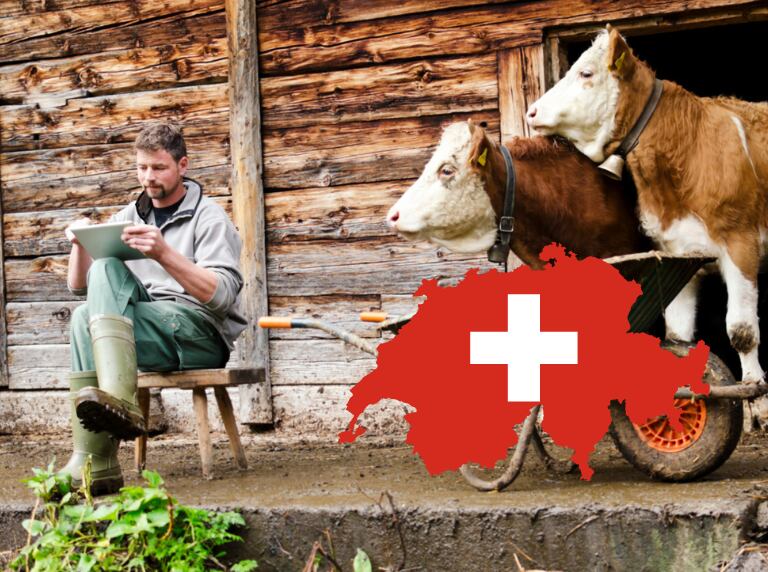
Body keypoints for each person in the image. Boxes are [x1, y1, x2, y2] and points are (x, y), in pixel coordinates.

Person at [60, 123, 247, 495]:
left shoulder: (208, 217)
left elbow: (222, 295)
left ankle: (119, 400)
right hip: (147, 329)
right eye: (142, 168)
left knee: (94, 306)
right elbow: (79, 286)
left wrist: (163, 253)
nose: (149, 177)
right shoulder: (129, 214)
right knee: (85, 310)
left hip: (199, 332)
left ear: (182, 166)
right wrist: (80, 243)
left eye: (159, 167)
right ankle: (95, 463)